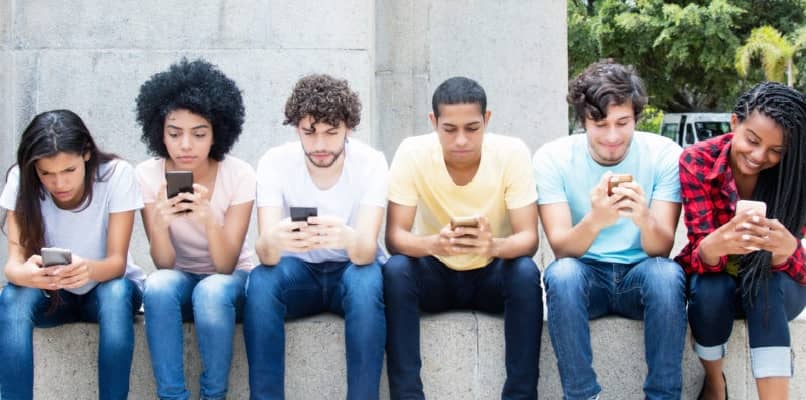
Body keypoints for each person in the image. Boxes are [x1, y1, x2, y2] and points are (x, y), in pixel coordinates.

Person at [533, 60, 686, 400]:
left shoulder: (664, 155)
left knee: (666, 274)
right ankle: (583, 395)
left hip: (641, 274)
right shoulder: (552, 158)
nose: (613, 137)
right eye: (599, 124)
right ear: (582, 121)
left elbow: (660, 249)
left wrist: (643, 216)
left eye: (623, 123)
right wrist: (596, 220)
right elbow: (560, 248)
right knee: (562, 274)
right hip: (586, 274)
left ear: (636, 118)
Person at [383, 76, 543, 400]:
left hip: (491, 274)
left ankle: (521, 396)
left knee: (526, 272)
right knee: (396, 270)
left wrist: (493, 245)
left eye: (472, 128)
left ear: (487, 120)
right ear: (433, 122)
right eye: (449, 129)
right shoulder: (412, 153)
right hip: (436, 273)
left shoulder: (511, 153)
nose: (460, 140)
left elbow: (529, 239)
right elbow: (394, 237)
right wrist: (433, 244)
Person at [244, 74, 387, 400]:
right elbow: (266, 255)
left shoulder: (371, 163)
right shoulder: (275, 162)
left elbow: (365, 253)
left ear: (348, 128)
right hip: (298, 272)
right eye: (309, 133)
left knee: (367, 280)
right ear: (297, 128)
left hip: (350, 269)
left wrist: (346, 237)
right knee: (262, 281)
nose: (320, 145)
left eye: (331, 133)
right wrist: (276, 239)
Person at [0, 109, 145, 400]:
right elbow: (12, 267)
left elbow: (117, 263)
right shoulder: (20, 178)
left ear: (87, 155)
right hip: (51, 294)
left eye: (69, 170)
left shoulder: (117, 175)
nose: (60, 184)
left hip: (105, 289)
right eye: (47, 174)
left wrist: (87, 270)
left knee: (116, 294)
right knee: (12, 297)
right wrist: (30, 275)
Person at [676, 81, 806, 400]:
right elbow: (697, 256)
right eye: (752, 140)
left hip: (775, 289)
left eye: (776, 151)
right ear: (735, 122)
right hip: (716, 285)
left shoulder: (796, 176)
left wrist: (785, 251)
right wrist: (714, 247)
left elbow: (799, 273)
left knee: (766, 286)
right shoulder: (698, 161)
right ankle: (715, 384)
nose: (759, 156)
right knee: (711, 288)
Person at [134, 59, 256, 400]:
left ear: (217, 133)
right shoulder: (146, 175)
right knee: (156, 287)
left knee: (213, 290)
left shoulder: (240, 174)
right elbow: (164, 264)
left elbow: (225, 265)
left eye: (199, 134)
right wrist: (159, 225)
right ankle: (171, 396)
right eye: (174, 133)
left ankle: (213, 395)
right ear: (159, 131)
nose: (185, 145)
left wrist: (206, 219)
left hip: (231, 281)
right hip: (181, 278)